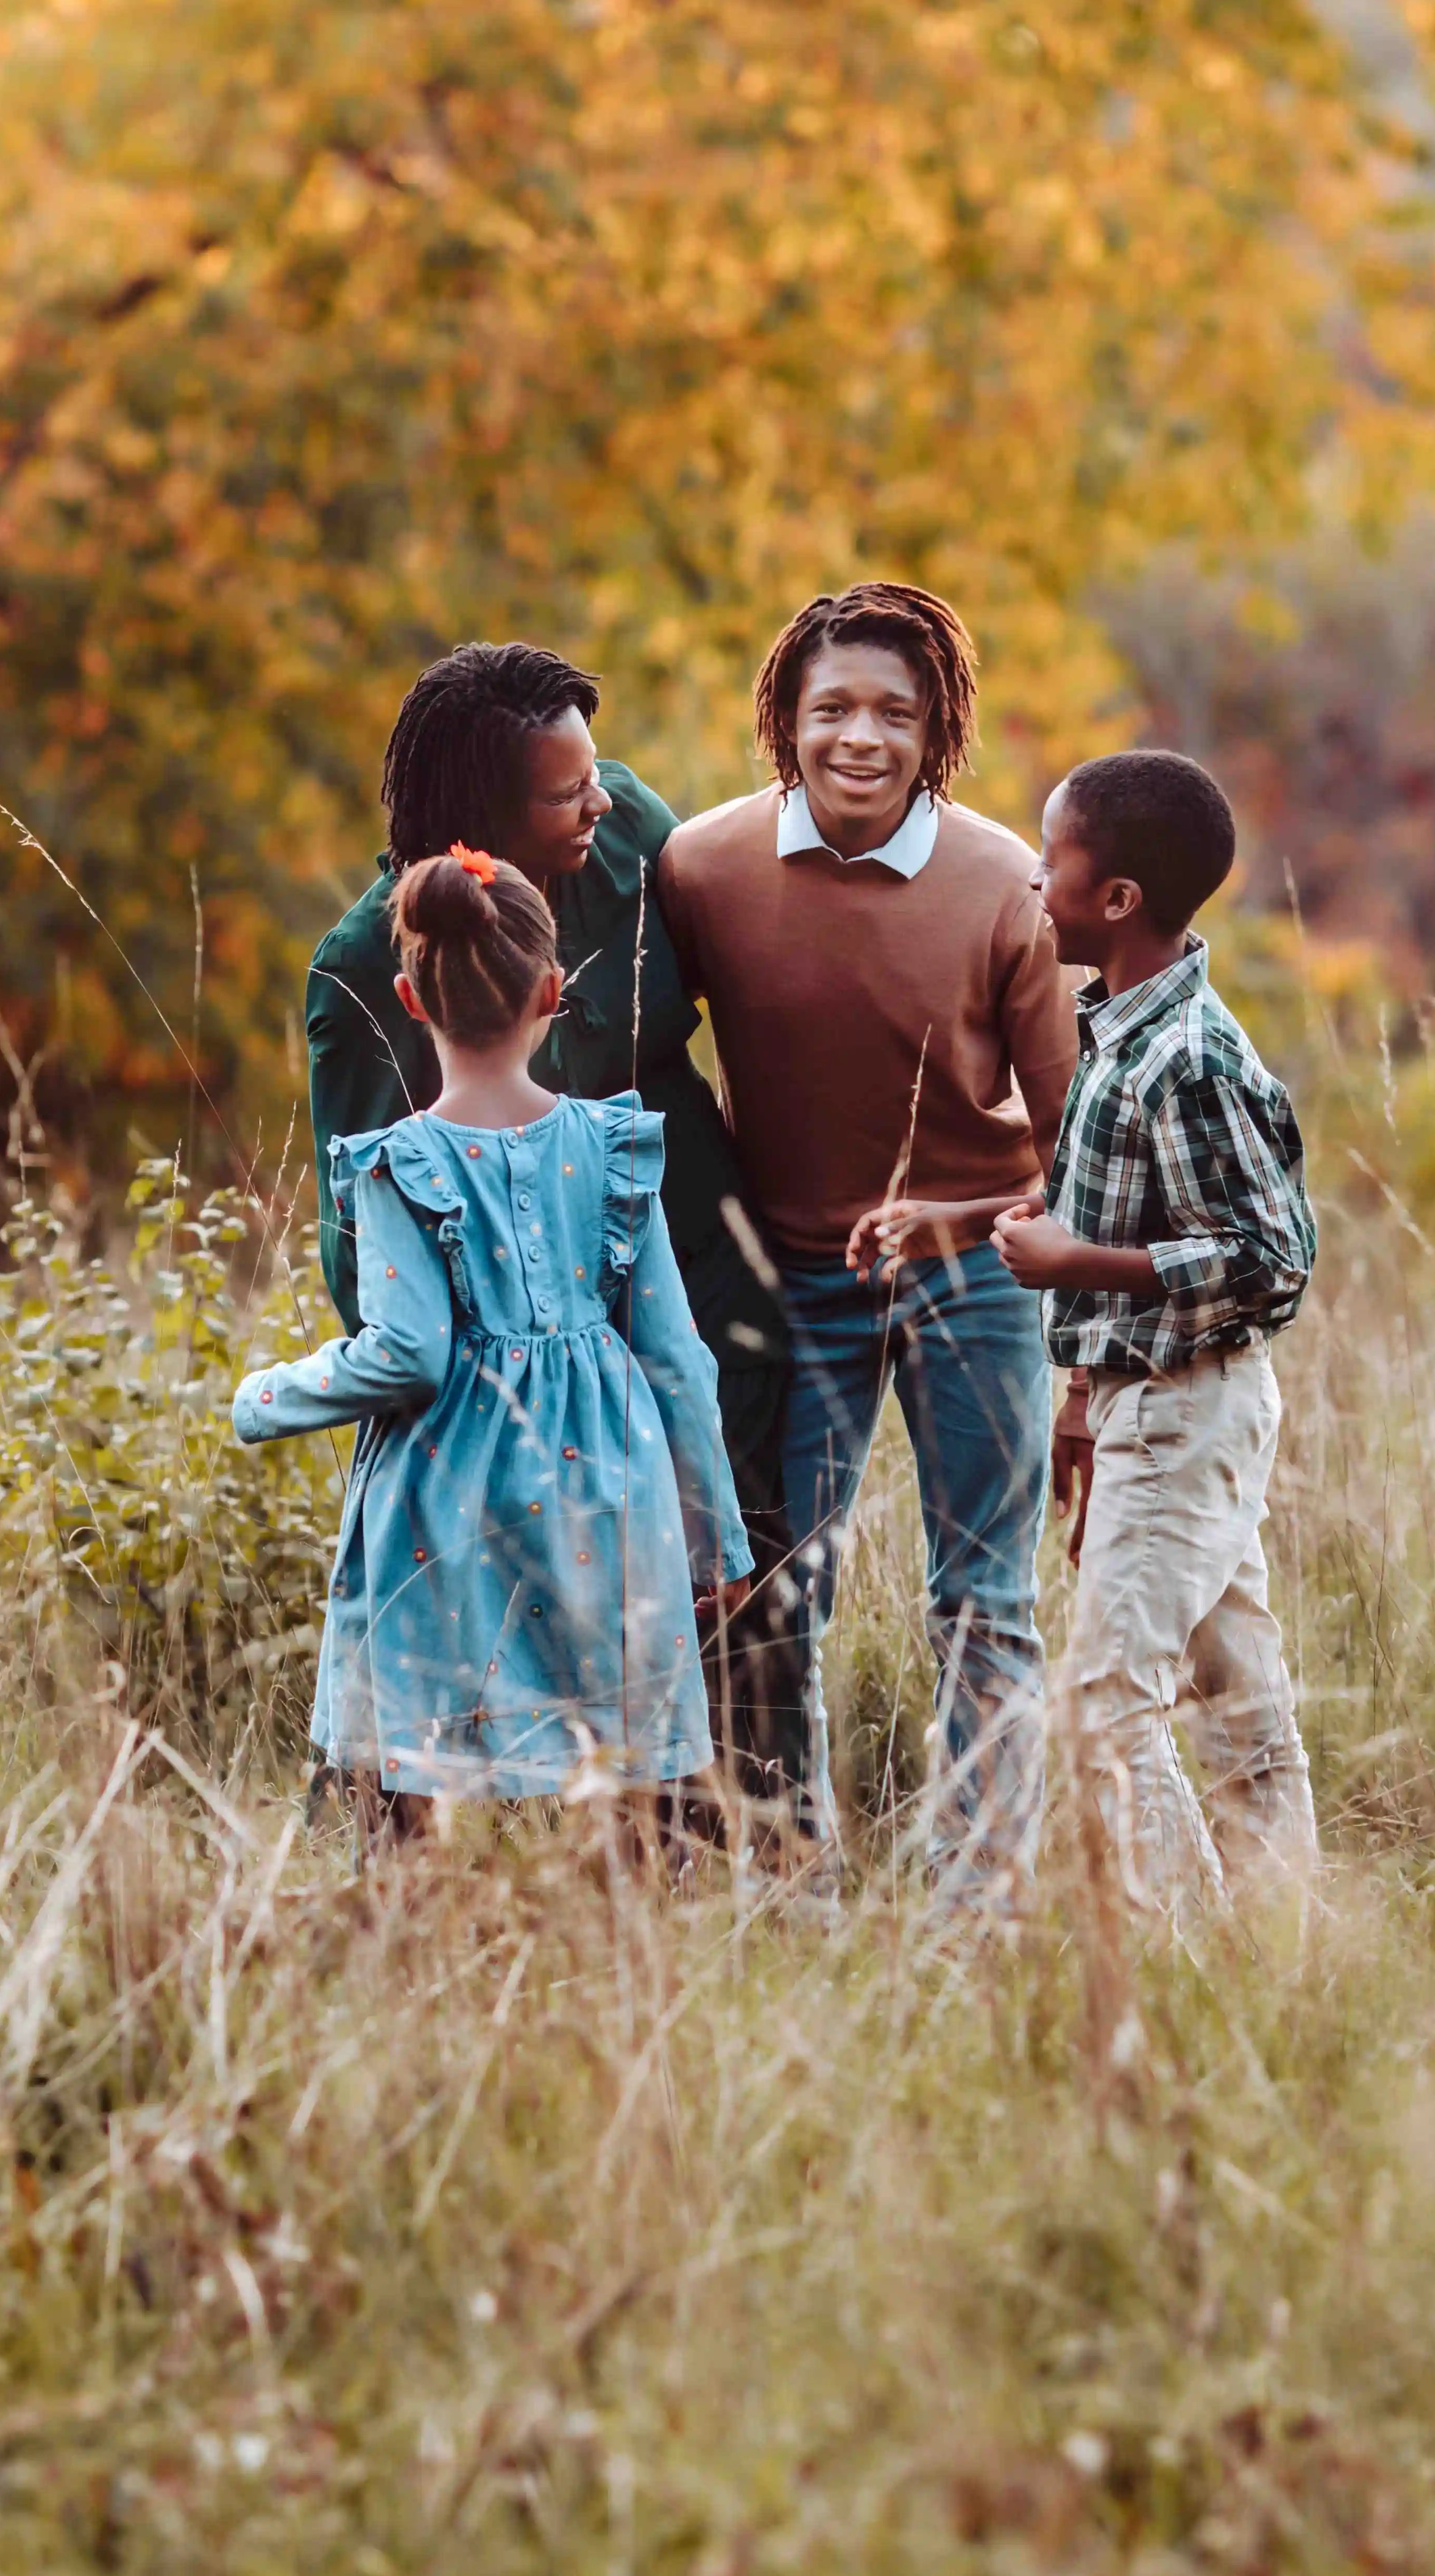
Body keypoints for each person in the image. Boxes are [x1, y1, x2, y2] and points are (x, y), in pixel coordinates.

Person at [305, 639, 804, 1800]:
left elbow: (742, 991)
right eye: (563, 790)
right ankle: (460, 1823)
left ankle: (744, 1825)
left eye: (594, 773)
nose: (598, 797)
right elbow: (368, 1237)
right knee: (513, 1587)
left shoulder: (629, 834)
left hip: (689, 1259)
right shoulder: (370, 964)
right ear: (480, 814)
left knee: (734, 1544)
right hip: (509, 1344)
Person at [657, 582, 1082, 1907]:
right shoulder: (702, 869)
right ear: (783, 718)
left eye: (894, 715)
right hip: (792, 1283)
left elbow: (1074, 1135)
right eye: (830, 707)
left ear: (938, 729)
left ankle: (984, 1895)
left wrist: (1034, 1296)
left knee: (982, 1599)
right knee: (779, 1595)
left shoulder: (1007, 883)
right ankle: (791, 1881)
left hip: (977, 1273)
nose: (860, 738)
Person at [879, 748, 1317, 1913]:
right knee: (1235, 1697)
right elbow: (1104, 1204)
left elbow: (1272, 1258)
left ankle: (1181, 1961)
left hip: (1188, 1409)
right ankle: (1285, 1954)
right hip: (1140, 1401)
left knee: (1107, 1710)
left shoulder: (1188, 1057)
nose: (1031, 880)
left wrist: (1079, 1264)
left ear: (1115, 901)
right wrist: (979, 1237)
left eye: (1050, 860)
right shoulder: (1115, 1029)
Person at [238, 842, 752, 1813]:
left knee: (417, 1763)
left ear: (410, 996)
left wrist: (268, 1396)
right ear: (554, 991)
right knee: (620, 1757)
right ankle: (629, 1946)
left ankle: (413, 1937)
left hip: (448, 1502)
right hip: (612, 1494)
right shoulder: (615, 1149)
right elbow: (679, 1361)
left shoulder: (398, 1165)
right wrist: (716, 1541)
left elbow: (406, 1353)